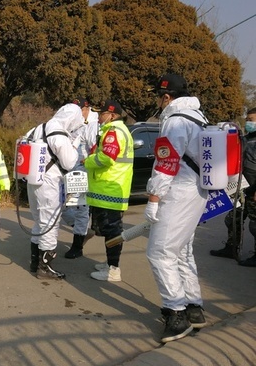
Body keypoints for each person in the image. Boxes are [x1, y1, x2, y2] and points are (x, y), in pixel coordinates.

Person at [144, 74, 209, 343]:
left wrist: (154, 198)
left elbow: (166, 162)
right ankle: (194, 307)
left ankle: (176, 313)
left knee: (159, 252)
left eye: (159, 97)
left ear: (167, 97)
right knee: (181, 250)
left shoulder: (174, 121)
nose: (158, 102)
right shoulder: (199, 118)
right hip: (198, 193)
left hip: (179, 193)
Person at [27, 103, 83, 279]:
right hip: (49, 183)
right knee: (50, 223)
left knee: (38, 221)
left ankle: (35, 262)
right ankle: (44, 267)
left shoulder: (37, 129)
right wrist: (74, 145)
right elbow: (69, 163)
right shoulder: (59, 134)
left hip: (33, 181)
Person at [84, 99, 134, 282]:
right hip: (110, 189)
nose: (99, 116)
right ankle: (109, 263)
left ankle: (113, 269)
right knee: (109, 229)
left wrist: (87, 162)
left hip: (110, 189)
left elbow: (106, 158)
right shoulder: (118, 131)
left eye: (102, 113)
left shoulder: (114, 132)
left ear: (112, 115)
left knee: (113, 231)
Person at [210, 107, 256, 267]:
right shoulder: (245, 139)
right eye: (248, 119)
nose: (249, 123)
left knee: (255, 225)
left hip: (254, 190)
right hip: (240, 187)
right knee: (232, 219)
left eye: (252, 120)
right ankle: (231, 248)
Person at [61, 97, 99, 258]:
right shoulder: (72, 125)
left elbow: (95, 150)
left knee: (80, 208)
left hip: (81, 173)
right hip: (68, 172)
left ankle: (77, 246)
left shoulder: (93, 126)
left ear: (86, 109)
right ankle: (84, 232)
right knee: (64, 207)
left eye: (79, 110)